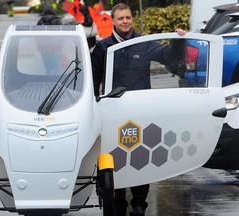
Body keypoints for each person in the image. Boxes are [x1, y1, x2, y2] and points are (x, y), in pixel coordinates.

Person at [91, 3, 186, 216]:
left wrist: (178, 41)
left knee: (141, 156)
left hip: (141, 111)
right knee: (116, 158)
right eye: (121, 18)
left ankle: (139, 204)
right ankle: (118, 203)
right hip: (113, 112)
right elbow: (93, 76)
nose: (125, 21)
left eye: (128, 18)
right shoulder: (103, 47)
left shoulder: (144, 44)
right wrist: (93, 101)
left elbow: (169, 56)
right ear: (113, 21)